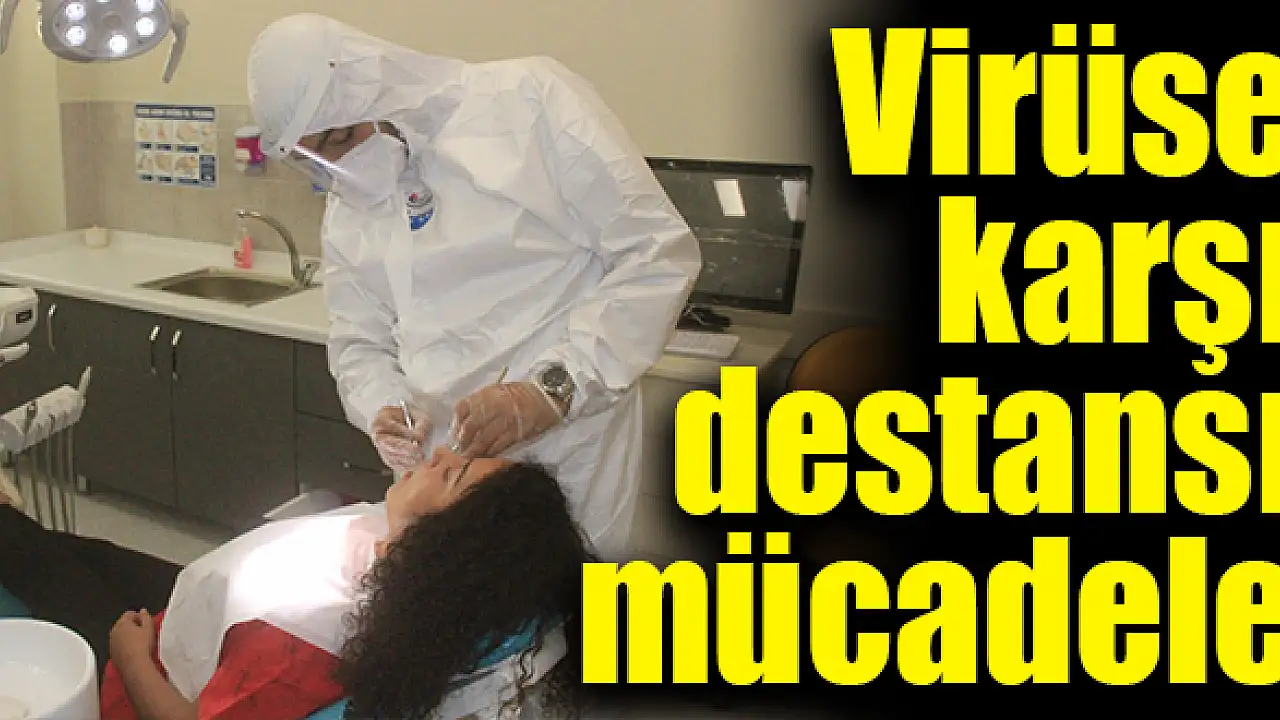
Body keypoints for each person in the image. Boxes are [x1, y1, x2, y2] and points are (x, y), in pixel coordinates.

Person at [246, 14, 703, 559]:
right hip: (441, 474)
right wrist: (383, 408)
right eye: (317, 157)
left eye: (341, 138)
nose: (340, 165)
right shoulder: (351, 202)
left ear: (374, 85)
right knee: (450, 605)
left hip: (565, 449)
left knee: (564, 599)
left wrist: (551, 391)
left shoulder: (528, 104)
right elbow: (358, 340)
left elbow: (656, 255)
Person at [0, 448, 594, 720]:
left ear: (439, 547)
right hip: (211, 619)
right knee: (73, 551)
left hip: (147, 673)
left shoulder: (302, 650)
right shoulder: (410, 567)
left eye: (451, 474)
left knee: (26, 554)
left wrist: (129, 657)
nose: (437, 455)